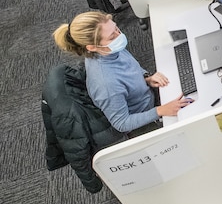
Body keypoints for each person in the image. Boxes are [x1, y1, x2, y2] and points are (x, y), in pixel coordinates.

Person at [53, 12, 193, 134]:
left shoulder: (108, 51)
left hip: (147, 97)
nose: (119, 36)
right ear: (92, 47)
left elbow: (129, 68)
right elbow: (122, 124)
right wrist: (160, 111)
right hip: (144, 120)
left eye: (116, 28)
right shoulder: (106, 85)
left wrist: (146, 78)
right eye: (111, 36)